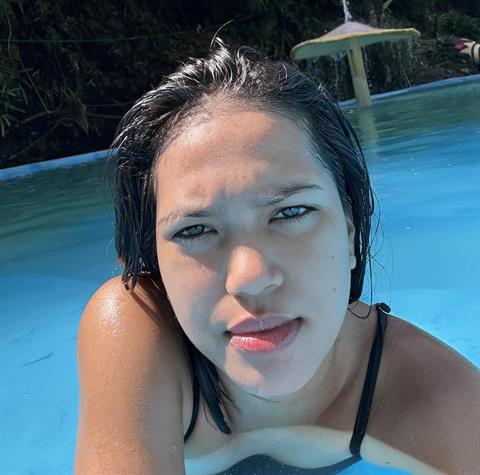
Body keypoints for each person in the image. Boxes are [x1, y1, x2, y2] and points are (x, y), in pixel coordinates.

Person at [74, 39, 479, 475]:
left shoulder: (435, 396)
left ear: (350, 234)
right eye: (194, 230)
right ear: (152, 263)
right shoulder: (138, 326)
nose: (249, 277)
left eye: (291, 212)